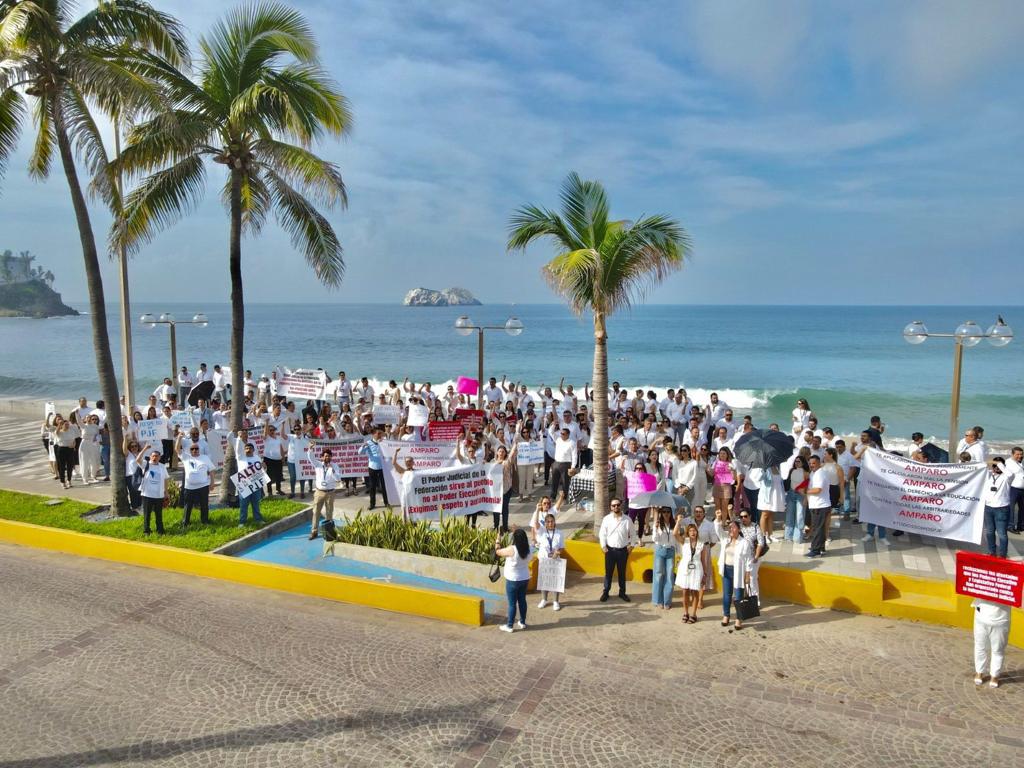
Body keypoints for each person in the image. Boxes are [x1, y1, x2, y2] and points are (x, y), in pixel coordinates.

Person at [715, 518, 753, 628]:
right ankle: (726, 615)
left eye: (733, 527)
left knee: (738, 596)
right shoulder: (725, 539)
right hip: (726, 570)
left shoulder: (744, 542)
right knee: (726, 595)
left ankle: (738, 618)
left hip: (738, 572)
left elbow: (748, 560)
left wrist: (747, 574)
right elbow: (718, 529)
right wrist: (718, 519)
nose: (731, 529)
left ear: (739, 529)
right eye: (729, 527)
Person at [599, 499, 638, 602]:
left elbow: (633, 534)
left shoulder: (627, 520)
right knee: (608, 573)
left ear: (621, 506)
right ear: (610, 507)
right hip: (610, 551)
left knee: (622, 573)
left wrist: (632, 546)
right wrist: (603, 546)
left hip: (623, 551)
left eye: (618, 505)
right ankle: (606, 592)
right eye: (613, 505)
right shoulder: (606, 519)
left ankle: (622, 593)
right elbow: (602, 534)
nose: (616, 507)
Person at [496, 528, 533, 632]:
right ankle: (522, 622)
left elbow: (498, 551)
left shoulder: (512, 549)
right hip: (524, 578)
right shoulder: (529, 549)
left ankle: (510, 626)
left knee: (512, 603)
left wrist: (498, 539)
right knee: (522, 601)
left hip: (512, 580)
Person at [531, 502, 565, 610]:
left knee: (555, 581)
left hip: (555, 560)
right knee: (544, 580)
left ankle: (556, 601)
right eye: (548, 522)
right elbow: (535, 524)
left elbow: (562, 547)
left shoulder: (560, 533)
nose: (550, 523)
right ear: (545, 523)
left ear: (555, 522)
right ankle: (544, 599)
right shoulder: (541, 532)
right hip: (544, 560)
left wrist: (557, 552)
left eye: (552, 521)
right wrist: (537, 510)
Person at [973, 597, 1011, 688]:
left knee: (998, 649)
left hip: (1001, 619)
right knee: (980, 646)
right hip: (981, 616)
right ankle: (979, 672)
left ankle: (995, 675)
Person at [675, 522, 709, 623]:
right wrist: (678, 521)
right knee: (685, 591)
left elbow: (703, 560)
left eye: (694, 530)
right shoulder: (684, 541)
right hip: (685, 568)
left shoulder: (701, 544)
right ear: (688, 532)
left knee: (695, 592)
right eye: (690, 531)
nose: (692, 532)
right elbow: (674, 534)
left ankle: (693, 614)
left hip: (697, 569)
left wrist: (705, 574)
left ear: (697, 532)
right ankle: (686, 612)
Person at [179, 440, 216, 526]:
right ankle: (185, 522)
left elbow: (212, 470)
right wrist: (179, 438)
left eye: (196, 449)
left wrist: (212, 482)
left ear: (199, 449)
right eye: (192, 449)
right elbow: (177, 449)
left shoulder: (205, 458)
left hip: (203, 485)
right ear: (190, 450)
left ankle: (205, 521)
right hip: (189, 487)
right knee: (188, 505)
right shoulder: (186, 457)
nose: (194, 450)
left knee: (204, 505)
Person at [983, 457, 1012, 559]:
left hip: (1001, 508)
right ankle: (992, 552)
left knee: (1002, 533)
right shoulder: (988, 475)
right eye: (995, 466)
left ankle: (1002, 554)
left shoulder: (1007, 477)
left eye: (999, 466)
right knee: (989, 532)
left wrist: (998, 463)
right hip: (988, 507)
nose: (997, 468)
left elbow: (1009, 474)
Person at [309, 447, 341, 539]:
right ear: (322, 457)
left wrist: (333, 470)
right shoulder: (318, 464)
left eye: (329, 456)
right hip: (319, 492)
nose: (327, 458)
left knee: (329, 513)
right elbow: (311, 457)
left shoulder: (334, 466)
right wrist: (310, 449)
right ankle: (314, 531)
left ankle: (329, 532)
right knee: (316, 512)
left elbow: (338, 479)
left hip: (330, 493)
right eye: (326, 456)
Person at [649, 507, 676, 610]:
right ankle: (658, 600)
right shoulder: (658, 524)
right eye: (664, 512)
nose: (666, 514)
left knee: (669, 576)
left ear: (670, 513)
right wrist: (655, 528)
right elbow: (655, 539)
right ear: (661, 513)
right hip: (660, 549)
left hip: (670, 551)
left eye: (668, 512)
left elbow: (676, 538)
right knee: (658, 575)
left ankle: (667, 601)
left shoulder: (673, 524)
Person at [804, 455, 831, 558]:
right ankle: (821, 548)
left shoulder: (820, 474)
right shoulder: (814, 473)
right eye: (810, 463)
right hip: (817, 504)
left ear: (819, 463)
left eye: (814, 463)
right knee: (820, 528)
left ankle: (815, 551)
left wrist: (805, 491)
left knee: (817, 528)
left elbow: (817, 490)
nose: (811, 465)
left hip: (820, 505)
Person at [138, 449, 169, 535]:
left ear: (159, 457)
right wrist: (144, 449)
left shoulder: (162, 466)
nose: (155, 457)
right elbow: (138, 459)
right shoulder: (146, 464)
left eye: (156, 456)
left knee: (159, 514)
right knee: (147, 514)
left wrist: (166, 492)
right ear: (150, 457)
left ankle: (160, 530)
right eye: (153, 456)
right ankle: (146, 530)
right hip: (147, 494)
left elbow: (166, 479)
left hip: (158, 495)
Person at [358, 427, 389, 509]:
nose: (379, 435)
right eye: (378, 433)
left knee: (384, 486)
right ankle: (372, 504)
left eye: (380, 433)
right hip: (372, 468)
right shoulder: (368, 443)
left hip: (382, 468)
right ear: (373, 434)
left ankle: (386, 503)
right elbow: (360, 453)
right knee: (372, 487)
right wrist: (363, 446)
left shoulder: (383, 442)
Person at [236, 442, 266, 527]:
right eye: (246, 448)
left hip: (255, 483)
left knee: (255, 502)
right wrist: (238, 437)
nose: (248, 450)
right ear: (244, 450)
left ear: (253, 450)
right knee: (243, 504)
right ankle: (242, 522)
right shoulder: (240, 458)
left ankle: (258, 519)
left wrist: (263, 467)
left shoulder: (257, 457)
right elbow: (233, 442)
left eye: (250, 448)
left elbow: (261, 469)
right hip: (244, 484)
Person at [710, 447, 737, 522]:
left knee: (724, 506)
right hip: (717, 485)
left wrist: (733, 470)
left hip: (726, 487)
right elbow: (712, 474)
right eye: (720, 453)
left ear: (727, 455)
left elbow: (734, 478)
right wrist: (708, 469)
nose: (722, 455)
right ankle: (718, 522)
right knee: (717, 506)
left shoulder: (730, 464)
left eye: (724, 453)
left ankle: (723, 523)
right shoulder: (716, 463)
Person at [392, 449, 416, 519]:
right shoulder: (402, 471)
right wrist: (395, 452)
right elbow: (393, 463)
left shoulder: (417, 472)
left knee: (414, 510)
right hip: (405, 494)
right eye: (406, 461)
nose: (408, 463)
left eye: (409, 461)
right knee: (404, 511)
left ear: (413, 463)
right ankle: (404, 527)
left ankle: (415, 525)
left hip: (413, 494)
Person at [1006, 447, 1024, 534]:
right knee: (1011, 508)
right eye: (1017, 454)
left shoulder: (1019, 463)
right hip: (1013, 488)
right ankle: (1010, 526)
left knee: (1022, 508)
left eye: (1021, 454)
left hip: (1022, 489)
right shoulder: (1008, 462)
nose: (1020, 456)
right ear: (1012, 454)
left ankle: (1021, 526)